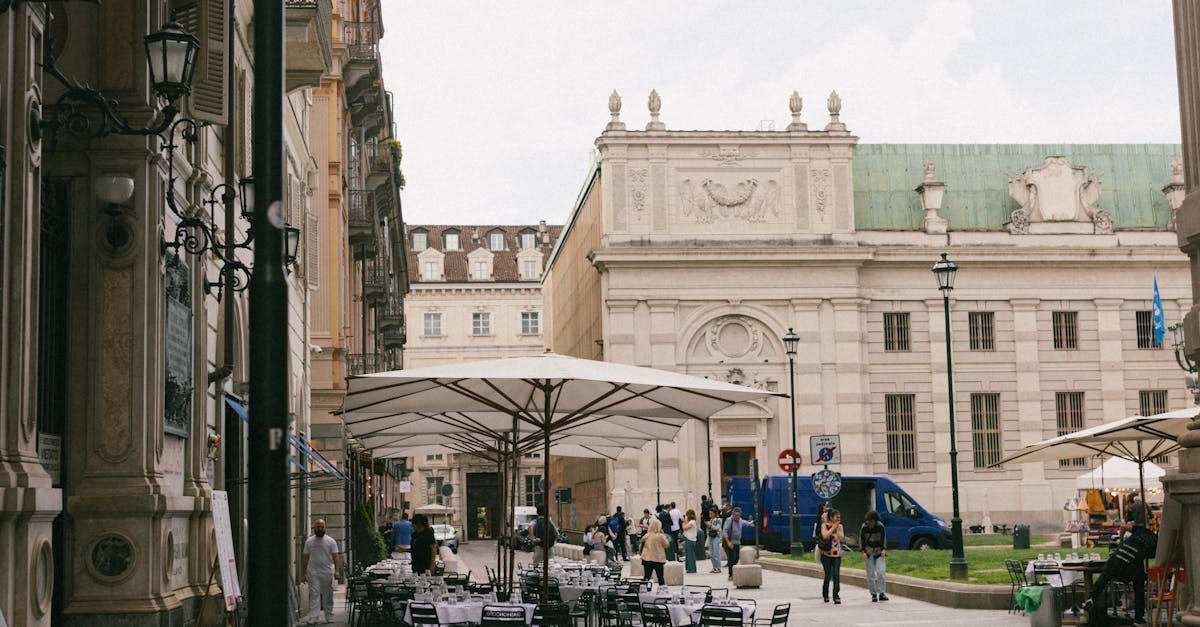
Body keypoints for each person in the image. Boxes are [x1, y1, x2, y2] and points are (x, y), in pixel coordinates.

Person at [1085, 523, 1157, 624]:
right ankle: (1138, 617)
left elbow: (1123, 526)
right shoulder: (1157, 543)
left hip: (1118, 555)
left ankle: (1091, 597)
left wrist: (1122, 540)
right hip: (1133, 562)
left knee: (1106, 575)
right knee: (1139, 587)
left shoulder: (1141, 529)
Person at [301, 518, 343, 625]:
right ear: (314, 528)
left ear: (325, 528)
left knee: (327, 595)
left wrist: (337, 571)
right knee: (314, 594)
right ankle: (313, 618)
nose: (319, 529)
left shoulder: (330, 541)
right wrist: (303, 573)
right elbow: (305, 558)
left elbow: (336, 557)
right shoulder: (309, 542)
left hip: (327, 572)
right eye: (317, 527)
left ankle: (329, 616)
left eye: (322, 527)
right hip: (313, 572)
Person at [860, 510, 888, 602]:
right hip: (868, 551)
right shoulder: (864, 527)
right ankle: (874, 594)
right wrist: (862, 552)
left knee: (881, 571)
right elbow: (861, 540)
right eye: (869, 521)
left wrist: (884, 549)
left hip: (879, 550)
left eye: (872, 521)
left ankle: (882, 592)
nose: (871, 523)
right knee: (870, 573)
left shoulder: (880, 526)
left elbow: (884, 538)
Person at [819, 508, 845, 604]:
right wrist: (833, 527)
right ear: (831, 517)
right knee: (828, 575)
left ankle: (836, 595)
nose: (838, 519)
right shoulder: (824, 525)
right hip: (826, 554)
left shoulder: (840, 526)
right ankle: (825, 594)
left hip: (837, 554)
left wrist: (837, 528)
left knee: (836, 575)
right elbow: (825, 536)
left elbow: (842, 538)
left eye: (839, 517)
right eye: (836, 517)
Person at [722, 506, 753, 579]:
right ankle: (731, 575)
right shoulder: (729, 520)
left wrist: (750, 523)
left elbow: (744, 522)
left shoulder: (740, 520)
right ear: (733, 514)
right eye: (735, 515)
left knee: (736, 558)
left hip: (737, 542)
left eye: (738, 515)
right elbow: (724, 531)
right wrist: (728, 542)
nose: (737, 517)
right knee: (731, 558)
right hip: (731, 541)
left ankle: (733, 571)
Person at [639, 519, 670, 585]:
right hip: (658, 559)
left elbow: (641, 543)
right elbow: (666, 545)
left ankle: (643, 589)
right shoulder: (660, 536)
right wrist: (663, 534)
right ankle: (662, 590)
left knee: (646, 576)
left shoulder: (647, 535)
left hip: (647, 558)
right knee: (660, 577)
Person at [705, 509, 723, 573]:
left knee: (716, 553)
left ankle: (718, 567)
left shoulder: (718, 520)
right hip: (711, 536)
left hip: (716, 537)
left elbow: (717, 527)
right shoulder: (711, 520)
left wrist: (709, 525)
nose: (710, 515)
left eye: (711, 513)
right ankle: (714, 567)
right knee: (711, 553)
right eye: (709, 514)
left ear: (715, 513)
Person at [682, 509, 699, 574]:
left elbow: (685, 528)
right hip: (689, 539)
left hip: (691, 539)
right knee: (688, 555)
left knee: (691, 555)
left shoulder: (692, 522)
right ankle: (689, 568)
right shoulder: (691, 521)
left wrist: (683, 523)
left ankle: (692, 569)